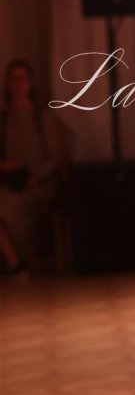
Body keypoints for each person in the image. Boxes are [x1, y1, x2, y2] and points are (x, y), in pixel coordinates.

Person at [0, 60, 67, 274]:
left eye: (22, 79)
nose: (18, 84)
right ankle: (15, 262)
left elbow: (55, 156)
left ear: (30, 83)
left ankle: (20, 261)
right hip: (13, 183)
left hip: (40, 184)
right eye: (13, 79)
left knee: (11, 206)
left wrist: (36, 177)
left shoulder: (42, 117)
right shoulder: (4, 119)